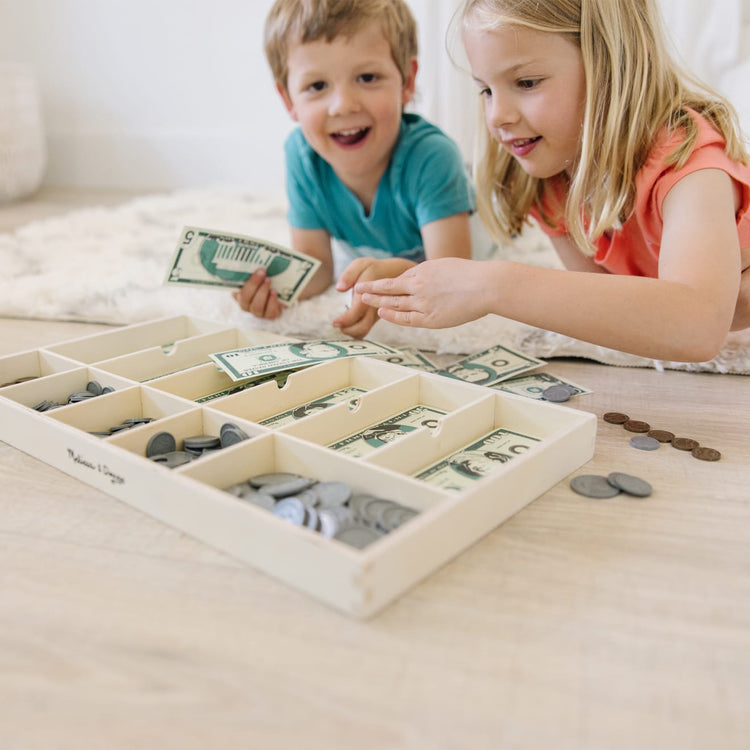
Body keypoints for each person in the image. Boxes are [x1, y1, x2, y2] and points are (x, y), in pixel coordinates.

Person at [355, 0, 750, 362]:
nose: (497, 116)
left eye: (526, 83)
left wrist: (494, 285)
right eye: (486, 90)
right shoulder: (551, 173)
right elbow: (602, 309)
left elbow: (697, 328)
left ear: (613, 64)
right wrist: (409, 278)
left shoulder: (691, 166)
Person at [234, 0, 476, 339]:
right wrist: (273, 290)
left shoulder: (433, 158)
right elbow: (317, 270)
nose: (344, 105)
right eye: (317, 86)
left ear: (407, 81)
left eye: (367, 77)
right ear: (288, 100)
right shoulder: (302, 156)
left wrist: (393, 277)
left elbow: (455, 281)